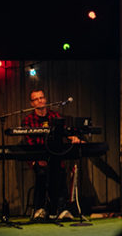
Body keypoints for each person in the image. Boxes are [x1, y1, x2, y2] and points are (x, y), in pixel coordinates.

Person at [22, 89, 79, 221]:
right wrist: (38, 159)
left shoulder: (55, 116)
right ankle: (40, 208)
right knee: (41, 173)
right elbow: (30, 143)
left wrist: (73, 137)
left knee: (60, 171)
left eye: (42, 97)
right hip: (38, 158)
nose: (40, 100)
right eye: (36, 99)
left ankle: (62, 209)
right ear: (32, 103)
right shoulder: (28, 120)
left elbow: (65, 132)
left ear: (46, 99)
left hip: (55, 157)